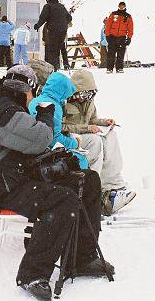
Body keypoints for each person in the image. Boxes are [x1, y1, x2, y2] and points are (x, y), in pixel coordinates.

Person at [0, 65, 114, 300]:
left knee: (88, 180)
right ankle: (32, 274)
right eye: (33, 93)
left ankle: (83, 257)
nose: (34, 98)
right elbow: (41, 139)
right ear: (26, 90)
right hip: (3, 185)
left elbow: (31, 141)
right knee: (62, 199)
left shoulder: (4, 105)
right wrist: (46, 114)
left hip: (13, 174)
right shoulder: (3, 112)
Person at [65, 70, 135, 215]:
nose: (86, 98)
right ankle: (94, 188)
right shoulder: (65, 103)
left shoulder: (89, 103)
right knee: (95, 141)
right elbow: (63, 126)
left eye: (90, 94)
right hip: (73, 138)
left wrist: (103, 122)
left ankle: (113, 183)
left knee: (111, 135)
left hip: (86, 134)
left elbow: (92, 119)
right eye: (84, 94)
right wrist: (88, 128)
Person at [35, 0, 72, 70]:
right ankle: (60, 65)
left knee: (52, 49)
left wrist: (37, 25)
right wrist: (63, 23)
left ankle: (53, 68)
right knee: (59, 48)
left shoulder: (48, 6)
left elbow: (43, 17)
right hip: (63, 31)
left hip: (53, 30)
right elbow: (69, 18)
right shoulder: (62, 6)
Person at [104, 2, 133, 73]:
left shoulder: (128, 16)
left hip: (122, 37)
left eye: (123, 6)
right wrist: (107, 35)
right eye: (120, 6)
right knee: (111, 53)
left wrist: (129, 38)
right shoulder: (113, 14)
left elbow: (130, 28)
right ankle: (109, 68)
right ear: (118, 6)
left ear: (125, 7)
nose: (121, 7)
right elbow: (108, 25)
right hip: (112, 37)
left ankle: (119, 68)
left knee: (121, 54)